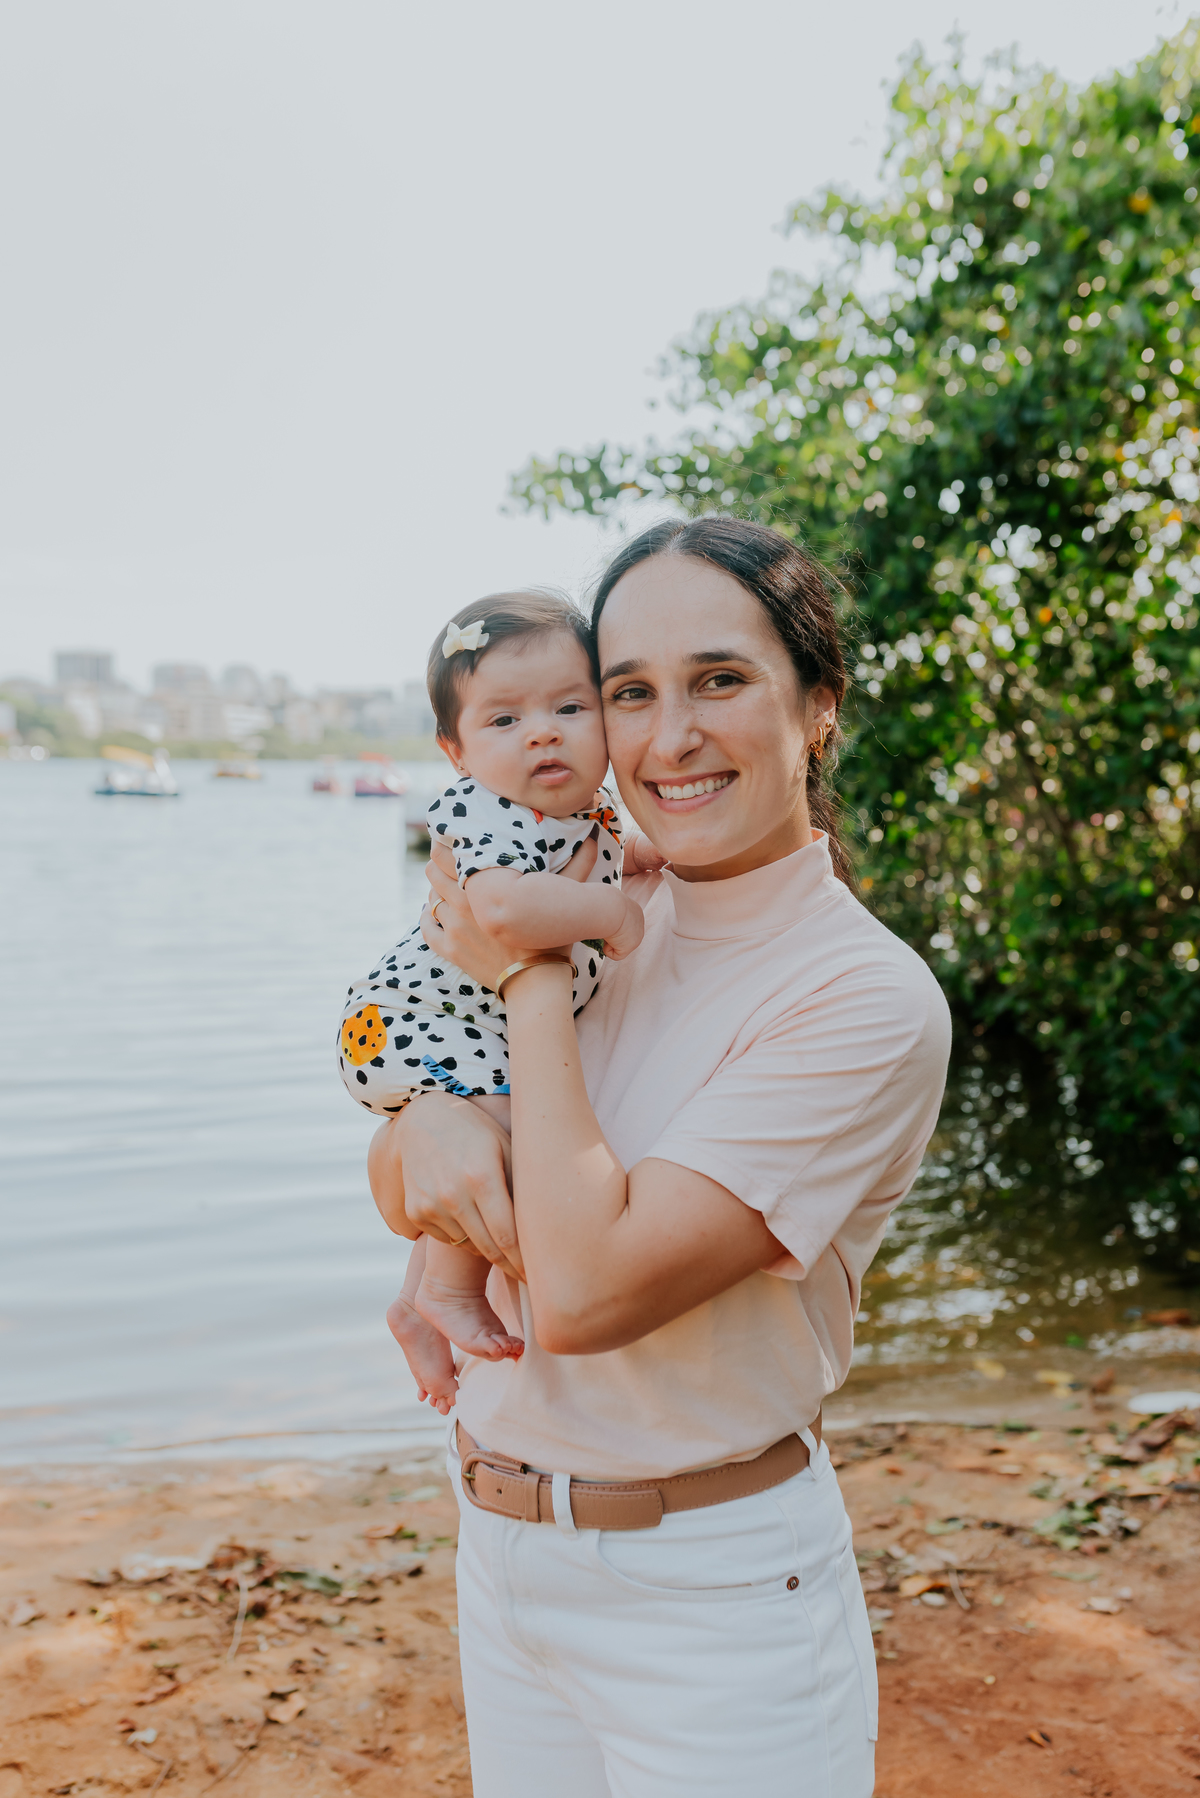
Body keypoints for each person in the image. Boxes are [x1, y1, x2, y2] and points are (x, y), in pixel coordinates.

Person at [368, 517, 952, 1797]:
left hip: (710, 1594)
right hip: (503, 1549)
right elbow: (403, 1186)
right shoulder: (615, 904)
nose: (667, 736)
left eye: (721, 680)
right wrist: (431, 1119)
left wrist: (523, 961)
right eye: (629, 692)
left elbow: (582, 1296)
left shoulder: (858, 996)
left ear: (819, 705)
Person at [338, 591, 649, 1414]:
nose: (542, 731)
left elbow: (624, 851)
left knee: (476, 1155)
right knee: (513, 1131)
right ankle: (450, 1292)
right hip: (423, 1023)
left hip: (459, 1026)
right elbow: (505, 916)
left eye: (569, 707)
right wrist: (612, 914)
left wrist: (657, 865)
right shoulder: (491, 817)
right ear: (457, 752)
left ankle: (417, 1308)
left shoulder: (579, 814)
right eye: (504, 720)